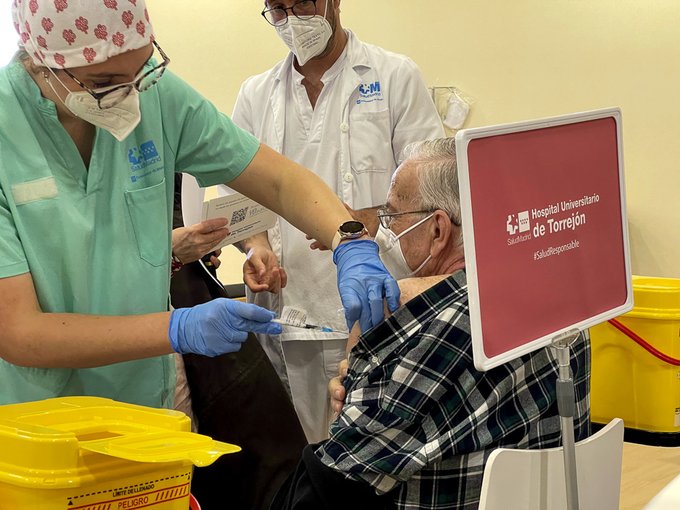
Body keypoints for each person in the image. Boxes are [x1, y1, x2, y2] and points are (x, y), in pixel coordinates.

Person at [0, 0, 398, 409]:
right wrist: (178, 327)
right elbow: (19, 332)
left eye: (142, 72)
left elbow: (278, 180)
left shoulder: (157, 97)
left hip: (144, 401)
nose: (130, 99)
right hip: (36, 415)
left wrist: (348, 240)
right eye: (104, 82)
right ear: (40, 62)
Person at [272, 138, 591, 509]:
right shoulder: (563, 302)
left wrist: (361, 357)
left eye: (391, 217)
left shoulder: (428, 323)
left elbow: (339, 474)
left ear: (438, 230)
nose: (385, 231)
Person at [230, 0, 445, 442]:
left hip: (373, 306)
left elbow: (433, 190)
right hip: (286, 311)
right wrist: (256, 247)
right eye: (278, 9)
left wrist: (376, 218)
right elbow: (239, 197)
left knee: (367, 454)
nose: (293, 20)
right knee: (299, 459)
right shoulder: (256, 94)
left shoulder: (394, 76)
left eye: (302, 3)